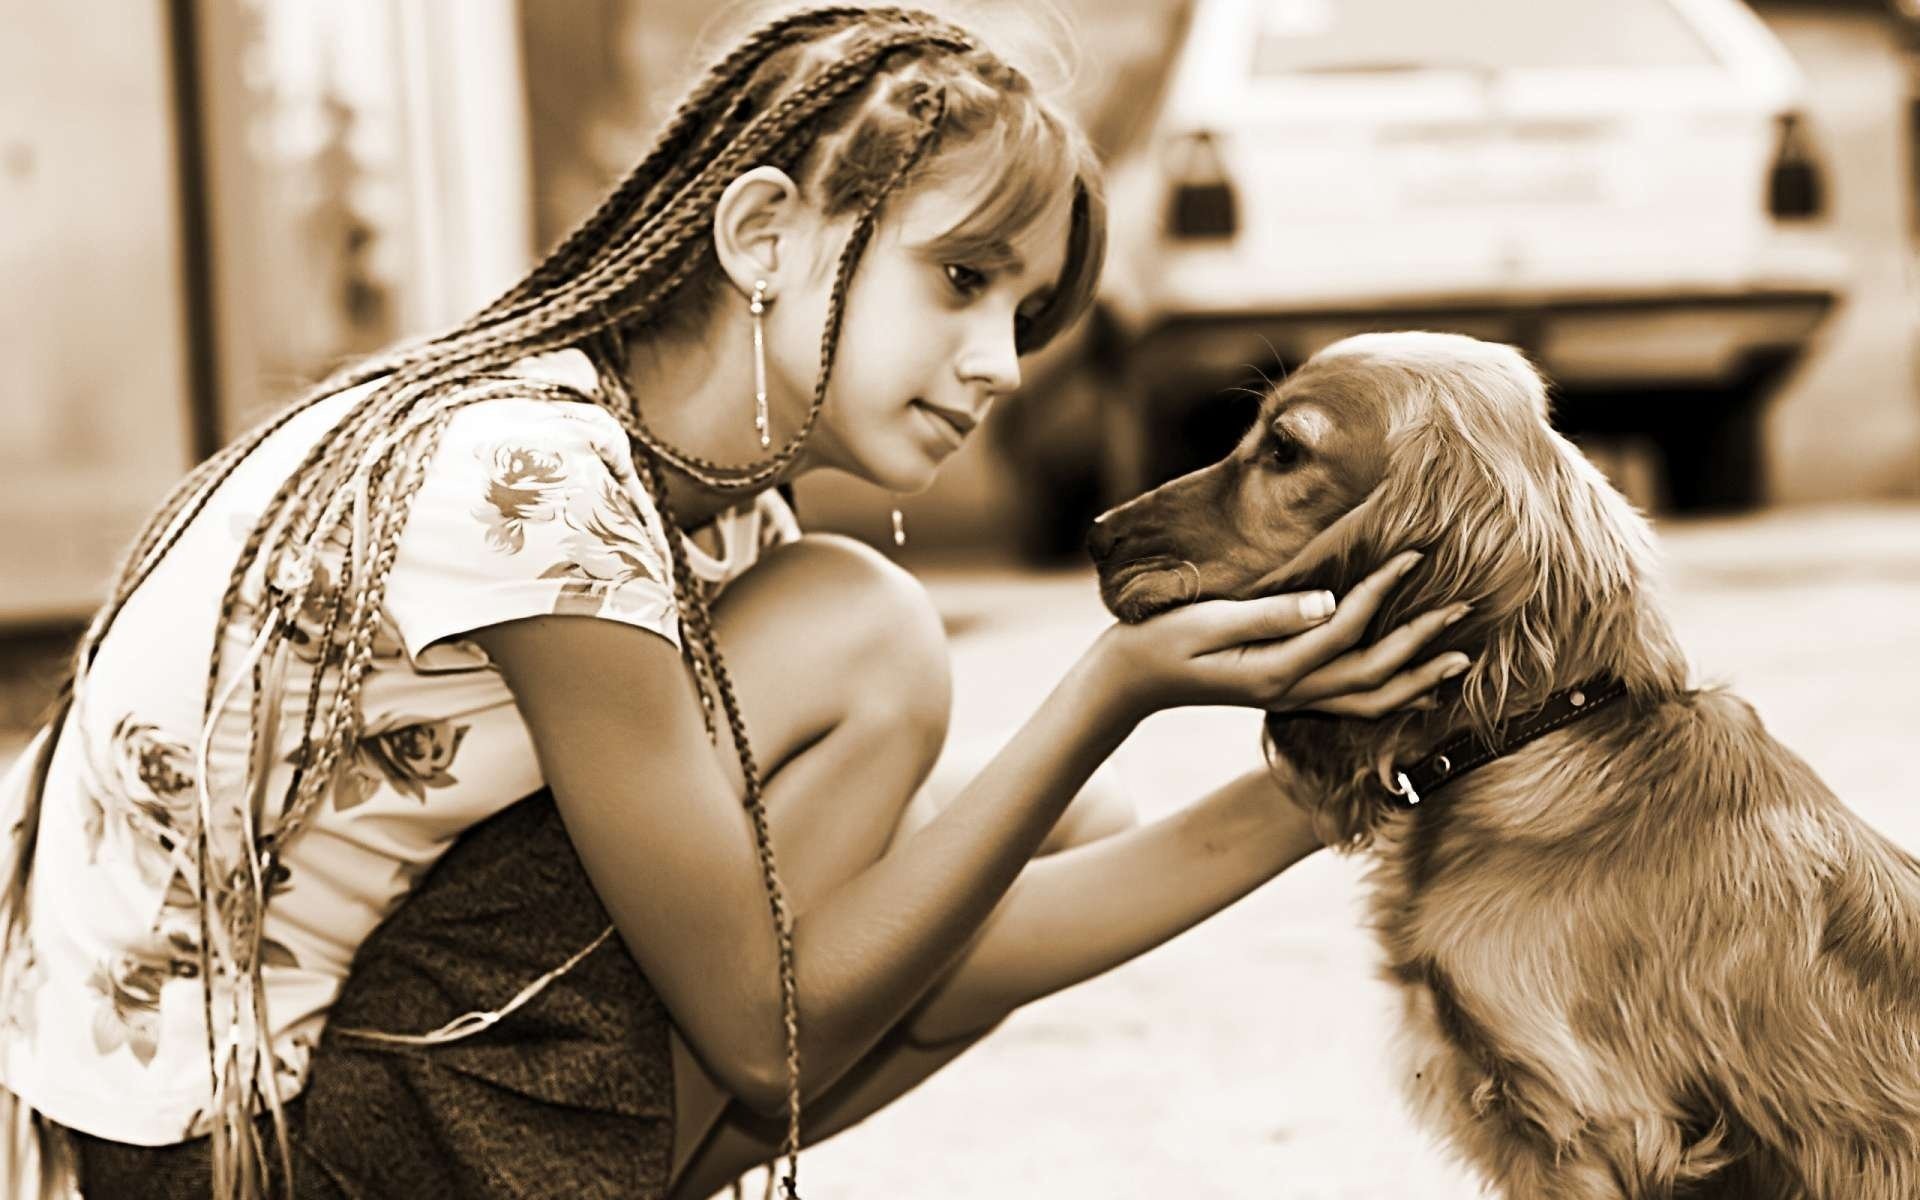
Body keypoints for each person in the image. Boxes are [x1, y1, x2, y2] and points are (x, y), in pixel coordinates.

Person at [0, 6, 1471, 1198]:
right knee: (865, 636)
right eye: (961, 279)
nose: (1001, 364)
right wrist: (1109, 687)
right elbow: (770, 1042)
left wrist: (1326, 787)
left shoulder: (691, 491)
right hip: (231, 1162)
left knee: (1024, 835)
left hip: (324, 1116)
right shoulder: (540, 480)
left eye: (1022, 316)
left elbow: (891, 960)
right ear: (762, 237)